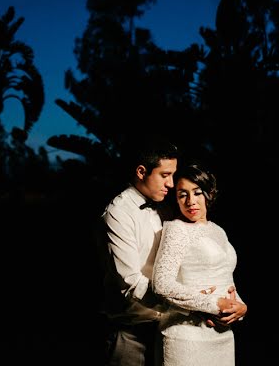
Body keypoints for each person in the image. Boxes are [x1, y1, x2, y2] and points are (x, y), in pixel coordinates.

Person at [153, 163, 248, 366]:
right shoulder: (177, 229)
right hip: (187, 338)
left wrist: (240, 308)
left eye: (197, 193)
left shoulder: (218, 231)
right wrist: (213, 305)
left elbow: (224, 277)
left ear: (209, 194)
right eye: (182, 195)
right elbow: (161, 284)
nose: (190, 202)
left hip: (222, 336)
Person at [98, 139, 180, 365]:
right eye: (165, 175)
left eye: (173, 175)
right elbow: (130, 282)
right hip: (131, 333)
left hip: (167, 328)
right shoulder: (118, 213)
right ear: (142, 172)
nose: (171, 184)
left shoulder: (164, 207)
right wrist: (187, 303)